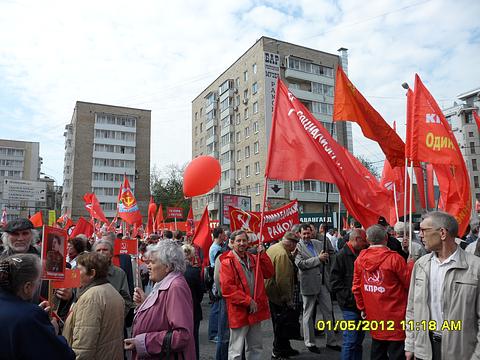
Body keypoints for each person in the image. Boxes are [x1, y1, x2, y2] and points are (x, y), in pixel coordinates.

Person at [405, 211, 480, 360]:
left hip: (461, 353)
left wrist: (477, 355)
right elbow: (412, 309)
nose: (420, 235)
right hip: (424, 350)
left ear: (443, 233)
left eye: (424, 230)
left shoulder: (475, 267)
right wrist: (410, 344)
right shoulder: (421, 265)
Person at [124, 240, 195, 359]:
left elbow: (182, 336)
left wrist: (143, 342)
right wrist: (144, 303)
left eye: (152, 262)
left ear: (167, 266)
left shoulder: (175, 287)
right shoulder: (164, 282)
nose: (148, 266)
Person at [0, 254, 75, 359]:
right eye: (39, 280)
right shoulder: (30, 316)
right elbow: (64, 355)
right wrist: (53, 331)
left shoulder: (29, 314)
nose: (39, 284)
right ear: (27, 287)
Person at [352, 225, 410, 360]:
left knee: (377, 350)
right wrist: (411, 265)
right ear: (386, 238)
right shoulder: (395, 259)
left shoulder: (360, 259)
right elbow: (408, 283)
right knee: (397, 353)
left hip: (374, 315)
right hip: (396, 316)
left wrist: (362, 308)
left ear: (367, 239)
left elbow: (356, 288)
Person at [219, 230, 274, 360]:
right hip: (239, 310)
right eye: (238, 241)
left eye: (244, 240)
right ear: (232, 243)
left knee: (255, 346)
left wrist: (263, 254)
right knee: (236, 350)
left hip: (254, 310)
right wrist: (248, 301)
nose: (242, 243)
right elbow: (228, 289)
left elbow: (269, 273)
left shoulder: (254, 258)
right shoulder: (227, 262)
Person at [63, 252, 125, 359]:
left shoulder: (90, 298)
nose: (75, 274)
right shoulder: (112, 291)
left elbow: (84, 347)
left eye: (79, 270)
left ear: (92, 273)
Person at [295, 223, 340, 353]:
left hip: (323, 283)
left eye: (308, 233)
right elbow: (300, 264)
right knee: (308, 315)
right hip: (308, 284)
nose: (306, 236)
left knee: (328, 312)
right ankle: (310, 343)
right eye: (304, 234)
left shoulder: (319, 243)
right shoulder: (297, 247)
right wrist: (318, 259)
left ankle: (331, 341)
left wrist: (327, 260)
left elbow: (331, 255)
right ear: (299, 234)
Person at [330, 228, 368, 360]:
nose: (366, 244)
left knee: (357, 341)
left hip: (361, 305)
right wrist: (351, 298)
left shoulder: (361, 253)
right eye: (364, 241)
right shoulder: (341, 256)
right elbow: (334, 283)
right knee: (350, 341)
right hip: (350, 306)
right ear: (357, 239)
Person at [265, 231, 300, 359]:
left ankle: (285, 347)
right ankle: (278, 350)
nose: (296, 246)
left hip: (271, 290)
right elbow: (283, 280)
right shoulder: (282, 255)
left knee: (280, 322)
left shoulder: (275, 248)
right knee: (281, 323)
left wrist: (292, 256)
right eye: (295, 244)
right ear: (291, 243)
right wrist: (287, 298)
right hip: (278, 294)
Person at [93, 240, 134, 317]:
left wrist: (116, 318)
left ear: (111, 254)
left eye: (105, 250)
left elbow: (126, 301)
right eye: (98, 250)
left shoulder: (119, 273)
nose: (101, 252)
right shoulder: (87, 272)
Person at [183, 243, 204, 360]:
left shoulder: (175, 271)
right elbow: (200, 292)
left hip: (180, 310)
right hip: (194, 308)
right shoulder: (194, 272)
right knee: (194, 338)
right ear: (191, 256)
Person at [208, 226, 226, 342]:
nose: (225, 236)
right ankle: (213, 333)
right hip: (216, 279)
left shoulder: (217, 247)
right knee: (215, 308)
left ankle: (215, 332)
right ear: (220, 235)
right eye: (224, 234)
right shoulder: (216, 248)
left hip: (217, 278)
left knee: (217, 307)